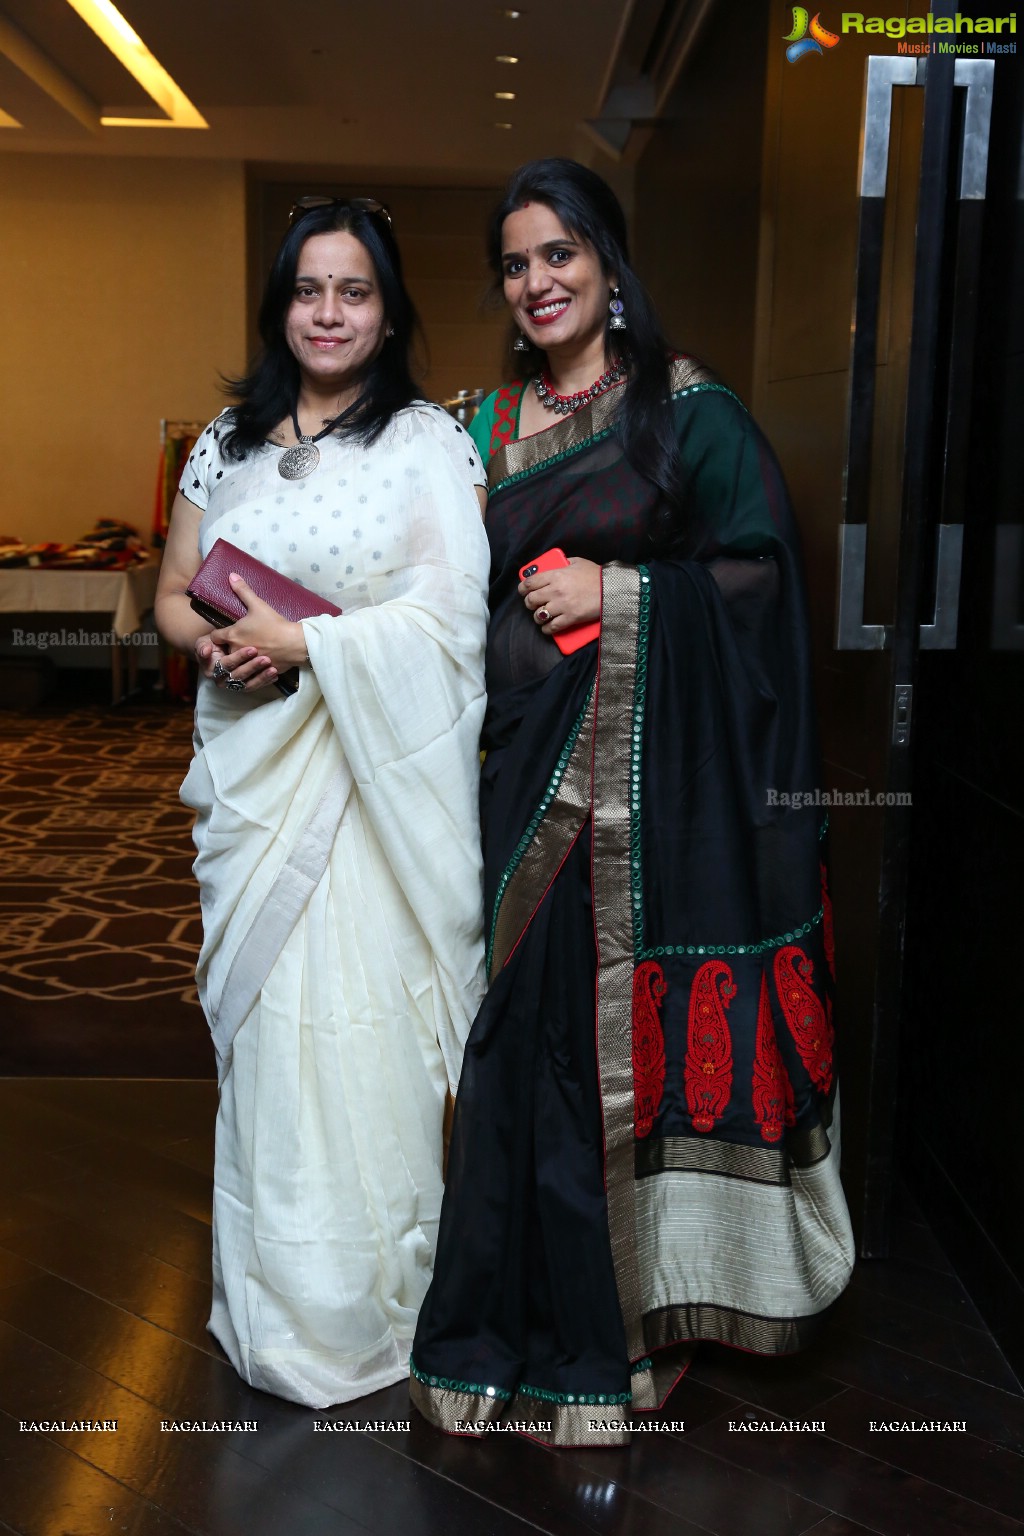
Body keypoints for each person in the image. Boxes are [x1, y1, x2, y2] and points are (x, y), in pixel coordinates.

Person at [409, 159, 855, 1447]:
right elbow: (429, 587)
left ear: (607, 261)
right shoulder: (479, 429)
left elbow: (764, 582)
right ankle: (502, 1336)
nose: (538, 281)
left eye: (561, 255)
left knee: (589, 1050)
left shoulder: (688, 410)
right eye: (515, 262)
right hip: (512, 778)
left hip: (648, 810)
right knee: (514, 1051)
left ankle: (609, 1343)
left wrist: (628, 596)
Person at [154, 197, 490, 1408]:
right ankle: (274, 1301)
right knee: (271, 1054)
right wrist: (222, 645)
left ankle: (366, 1312)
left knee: (366, 1050)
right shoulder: (224, 441)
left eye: (353, 292)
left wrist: (311, 648)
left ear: (388, 310)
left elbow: (452, 620)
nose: (329, 312)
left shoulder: (427, 444)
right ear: (280, 305)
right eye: (309, 290)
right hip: (255, 774)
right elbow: (176, 592)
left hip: (369, 790)